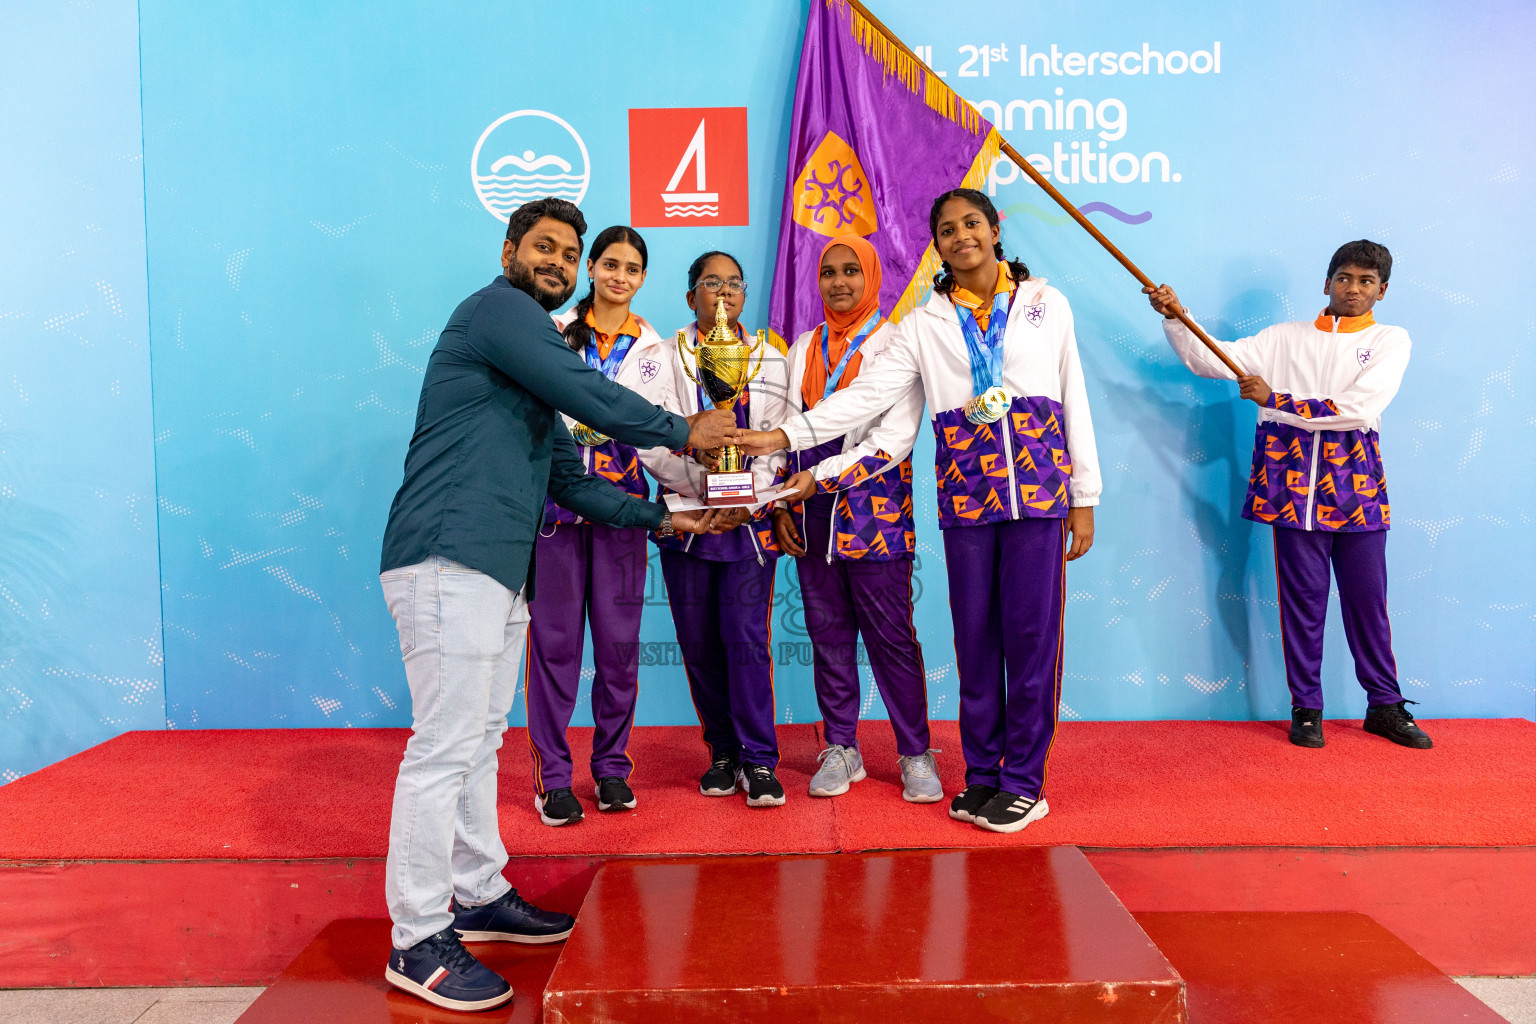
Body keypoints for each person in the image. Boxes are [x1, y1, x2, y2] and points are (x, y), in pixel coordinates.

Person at [377, 198, 731, 1013]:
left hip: (497, 570)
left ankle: (477, 895)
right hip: (445, 555)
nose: (560, 262)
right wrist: (684, 431)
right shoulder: (501, 314)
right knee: (444, 747)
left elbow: (571, 480)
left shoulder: (532, 378)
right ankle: (417, 938)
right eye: (545, 247)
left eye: (570, 253)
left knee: (477, 740)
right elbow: (594, 394)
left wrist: (668, 517)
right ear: (508, 252)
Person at [733, 188, 1101, 835]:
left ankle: (1024, 782)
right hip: (967, 501)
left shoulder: (1045, 304)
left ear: (994, 230)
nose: (961, 236)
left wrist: (1084, 496)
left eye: (971, 224)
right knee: (977, 643)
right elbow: (868, 400)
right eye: (948, 229)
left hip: (1039, 496)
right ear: (936, 245)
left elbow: (1073, 393)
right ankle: (983, 773)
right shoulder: (923, 326)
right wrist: (783, 441)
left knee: (1031, 640)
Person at [1144, 239, 1431, 750]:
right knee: (1302, 602)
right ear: (1326, 283)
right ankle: (1306, 708)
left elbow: (1360, 409)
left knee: (1367, 601)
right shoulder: (1283, 338)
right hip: (1289, 489)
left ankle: (1384, 705)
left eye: (1367, 282)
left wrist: (1277, 400)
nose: (1353, 289)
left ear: (1382, 291)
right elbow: (1214, 359)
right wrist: (1176, 317)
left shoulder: (1391, 340)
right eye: (1344, 278)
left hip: (1355, 490)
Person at [771, 234, 940, 803]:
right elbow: (788, 431)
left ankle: (915, 751)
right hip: (809, 507)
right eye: (829, 272)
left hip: (874, 512)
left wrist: (818, 479)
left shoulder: (897, 344)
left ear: (873, 278)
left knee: (891, 638)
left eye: (852, 271)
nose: (839, 282)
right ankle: (842, 746)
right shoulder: (803, 346)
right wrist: (784, 502)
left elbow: (893, 441)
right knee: (829, 636)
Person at [525, 226, 670, 827]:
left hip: (624, 516)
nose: (619, 276)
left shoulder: (658, 351)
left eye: (632, 268)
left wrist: (700, 493)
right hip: (558, 513)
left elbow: (665, 438)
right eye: (609, 264)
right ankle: (553, 778)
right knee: (555, 651)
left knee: (617, 652)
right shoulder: (553, 332)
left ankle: (611, 769)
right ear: (590, 268)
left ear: (642, 279)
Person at [639, 251, 793, 807]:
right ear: (690, 297)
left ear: (744, 295)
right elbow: (648, 439)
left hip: (748, 523)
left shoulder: (770, 358)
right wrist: (704, 483)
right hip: (687, 520)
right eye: (711, 282)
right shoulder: (659, 357)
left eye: (734, 283)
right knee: (699, 642)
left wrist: (747, 489)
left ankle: (759, 759)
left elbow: (781, 438)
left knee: (748, 643)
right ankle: (722, 753)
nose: (723, 292)